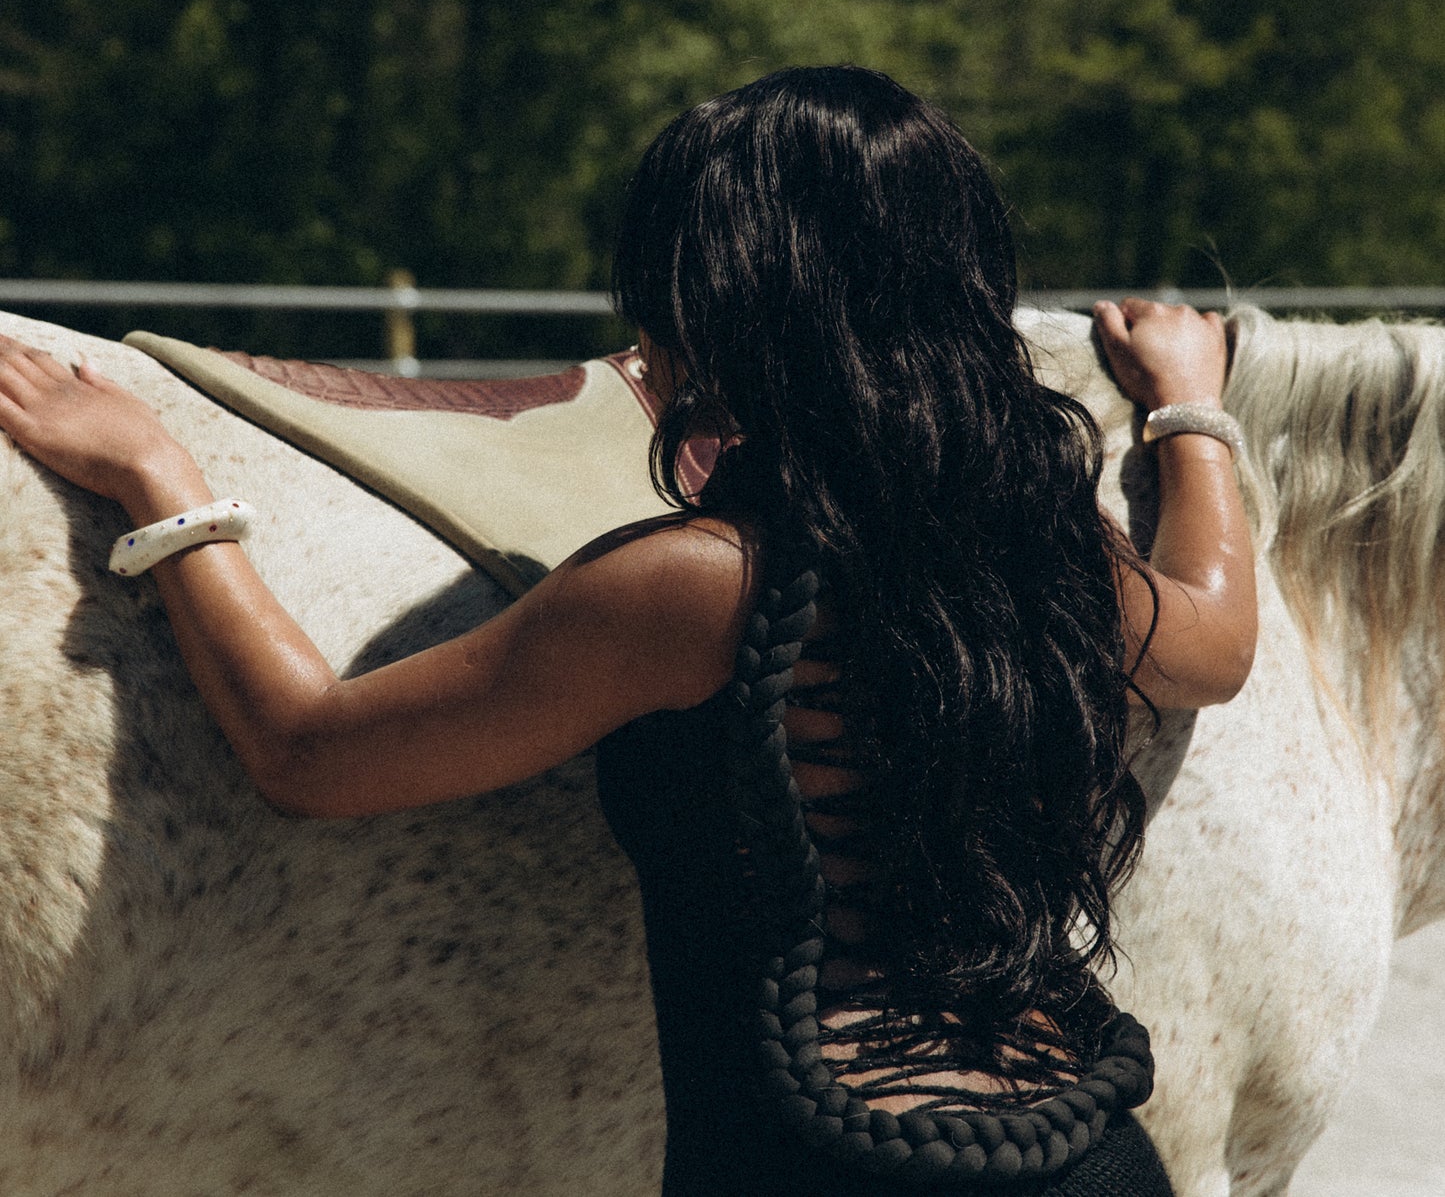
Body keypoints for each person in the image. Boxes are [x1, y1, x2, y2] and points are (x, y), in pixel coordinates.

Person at [0, 67, 1254, 1194]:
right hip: (1090, 1151)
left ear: (726, 310)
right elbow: (1214, 637)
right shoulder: (1037, 544)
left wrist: (160, 477)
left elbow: (308, 752)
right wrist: (1192, 410)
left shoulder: (694, 586)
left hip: (826, 1169)